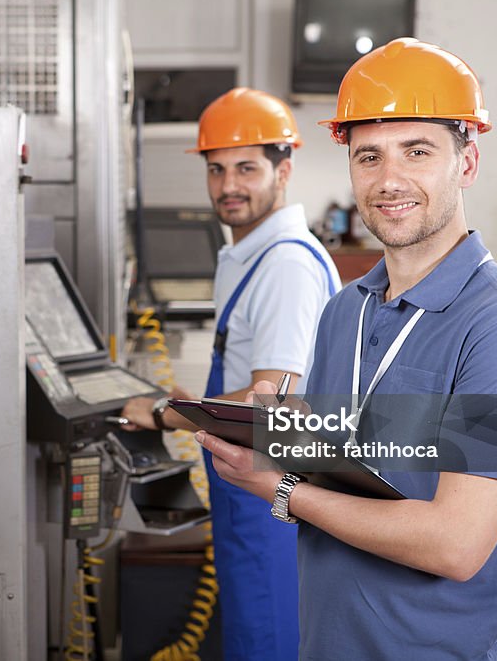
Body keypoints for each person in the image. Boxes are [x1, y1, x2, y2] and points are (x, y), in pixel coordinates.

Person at [196, 39, 497, 660]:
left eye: (417, 151)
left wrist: (282, 490)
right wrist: (277, 432)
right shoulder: (345, 311)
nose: (389, 180)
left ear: (467, 163)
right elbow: (348, 463)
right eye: (369, 156)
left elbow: (456, 543)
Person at [121, 87, 341, 660]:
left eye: (247, 168)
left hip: (272, 496)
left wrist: (167, 414)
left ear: (283, 170)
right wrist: (205, 401)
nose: (228, 186)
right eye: (216, 169)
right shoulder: (251, 254)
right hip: (248, 486)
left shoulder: (286, 263)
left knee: (268, 641)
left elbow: (273, 401)